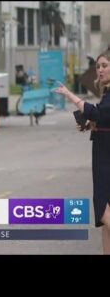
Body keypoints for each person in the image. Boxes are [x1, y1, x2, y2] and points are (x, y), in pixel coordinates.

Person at [54, 49, 110, 254]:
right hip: (103, 152)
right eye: (98, 67)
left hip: (106, 156)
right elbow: (103, 118)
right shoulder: (106, 91)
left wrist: (69, 94)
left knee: (103, 208)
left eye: (105, 66)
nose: (100, 70)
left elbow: (97, 112)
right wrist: (89, 125)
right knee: (106, 214)